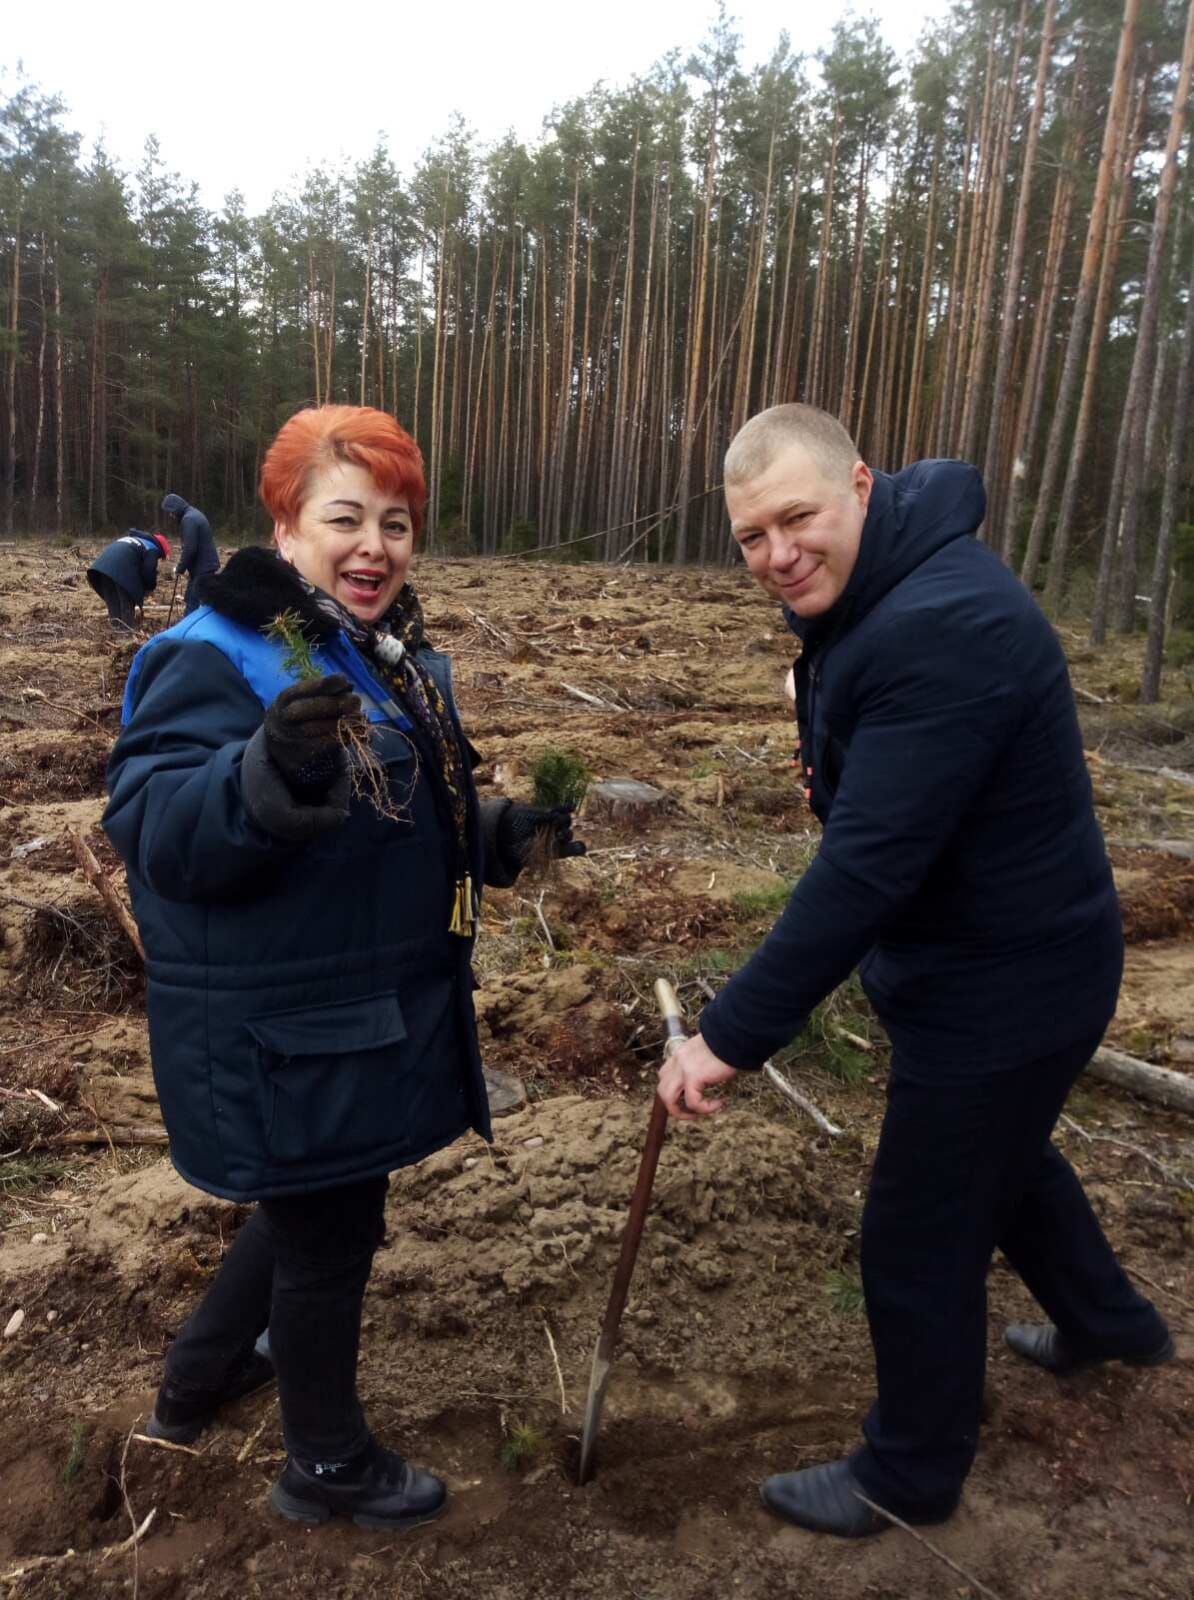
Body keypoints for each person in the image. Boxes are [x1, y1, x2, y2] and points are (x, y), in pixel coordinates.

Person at [657, 404, 1173, 1538]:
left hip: (1010, 982)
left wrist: (728, 1035)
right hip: (998, 962)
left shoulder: (943, 621)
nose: (777, 554)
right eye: (752, 537)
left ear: (860, 483)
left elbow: (863, 875)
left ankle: (911, 1470)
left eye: (797, 518)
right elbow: (886, 798)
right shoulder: (890, 585)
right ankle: (1114, 1325)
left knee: (917, 1227)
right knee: (1007, 1160)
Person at [105, 405, 584, 1532]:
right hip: (285, 1024)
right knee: (330, 1232)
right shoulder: (212, 653)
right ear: (285, 520)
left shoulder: (369, 650)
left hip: (345, 1005)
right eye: (346, 518)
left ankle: (198, 1379)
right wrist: (252, 783)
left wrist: (496, 830)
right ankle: (325, 1463)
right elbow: (155, 822)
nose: (376, 545)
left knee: (310, 1204)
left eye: (399, 522)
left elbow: (393, 816)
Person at [86, 529, 170, 632]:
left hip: (102, 569)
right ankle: (126, 636)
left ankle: (117, 631)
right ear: (160, 549)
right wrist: (149, 587)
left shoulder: (134, 540)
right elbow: (148, 571)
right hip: (122, 570)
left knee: (113, 602)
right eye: (160, 557)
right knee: (127, 604)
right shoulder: (152, 549)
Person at [160, 492, 220, 613]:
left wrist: (180, 568)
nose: (171, 515)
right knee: (192, 599)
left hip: (203, 569)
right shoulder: (193, 514)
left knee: (193, 604)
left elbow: (190, 548)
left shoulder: (189, 519)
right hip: (205, 567)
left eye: (171, 512)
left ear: (176, 509)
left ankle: (189, 630)